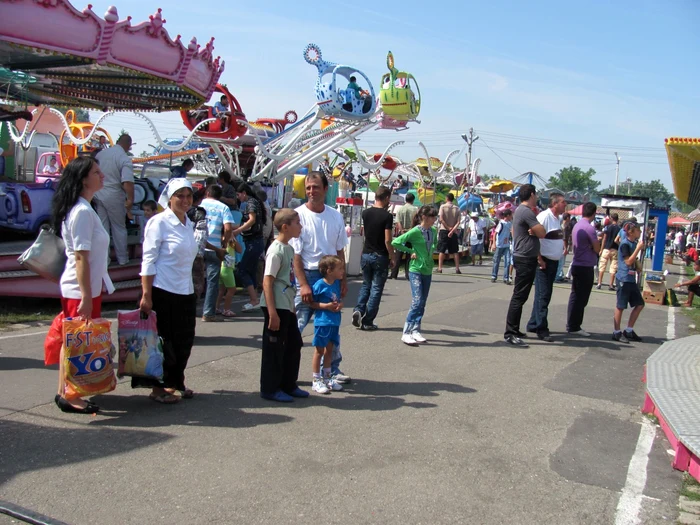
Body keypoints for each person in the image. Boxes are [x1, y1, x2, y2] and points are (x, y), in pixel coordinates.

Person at [51, 157, 114, 414]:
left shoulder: (85, 208)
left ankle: (65, 391)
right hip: (81, 289)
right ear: (83, 179)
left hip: (86, 288)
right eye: (97, 172)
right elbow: (80, 256)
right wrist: (87, 296)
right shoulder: (82, 212)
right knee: (78, 343)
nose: (102, 176)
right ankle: (71, 395)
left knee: (74, 341)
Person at [138, 178, 199, 403]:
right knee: (164, 343)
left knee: (184, 341)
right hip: (162, 290)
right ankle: (158, 389)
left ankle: (175, 382)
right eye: (179, 196)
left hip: (185, 290)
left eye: (188, 196)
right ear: (169, 198)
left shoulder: (188, 223)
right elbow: (148, 259)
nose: (184, 200)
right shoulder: (159, 222)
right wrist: (146, 294)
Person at [290, 172, 351, 384]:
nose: (311, 191)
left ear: (326, 189)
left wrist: (342, 280)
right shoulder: (298, 215)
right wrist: (304, 284)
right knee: (297, 325)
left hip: (331, 277)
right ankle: (287, 371)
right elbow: (295, 255)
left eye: (315, 187)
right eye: (308, 188)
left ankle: (332, 370)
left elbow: (339, 250)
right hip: (307, 275)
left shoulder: (335, 216)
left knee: (331, 325)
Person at [259, 208, 307, 402]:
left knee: (294, 343)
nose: (300, 226)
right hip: (275, 305)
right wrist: (272, 312)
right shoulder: (276, 250)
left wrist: (292, 308)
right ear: (285, 227)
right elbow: (267, 281)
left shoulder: (289, 248)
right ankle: (270, 388)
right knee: (274, 348)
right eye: (297, 223)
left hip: (286, 304)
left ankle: (288, 384)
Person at [503, 184, 546, 347]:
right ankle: (510, 332)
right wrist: (535, 230)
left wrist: (533, 230)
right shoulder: (526, 211)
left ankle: (515, 328)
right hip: (524, 257)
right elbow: (542, 232)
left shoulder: (520, 211)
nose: (537, 198)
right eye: (536, 195)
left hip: (525, 256)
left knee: (521, 295)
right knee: (519, 296)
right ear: (532, 195)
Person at [391, 205, 439, 346]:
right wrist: (410, 250)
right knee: (417, 300)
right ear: (424, 217)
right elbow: (396, 242)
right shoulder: (415, 231)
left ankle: (416, 329)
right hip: (415, 269)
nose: (435, 219)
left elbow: (434, 243)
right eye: (432, 216)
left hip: (427, 269)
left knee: (423, 301)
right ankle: (406, 332)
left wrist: (431, 252)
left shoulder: (434, 231)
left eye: (435, 216)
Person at [352, 186, 394, 331]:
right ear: (387, 198)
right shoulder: (387, 216)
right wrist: (392, 256)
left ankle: (358, 309)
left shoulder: (366, 213)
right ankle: (368, 320)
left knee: (366, 284)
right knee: (376, 288)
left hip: (366, 253)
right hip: (380, 255)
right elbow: (388, 240)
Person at [526, 192, 567, 342]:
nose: (565, 205)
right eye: (563, 202)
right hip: (544, 262)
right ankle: (542, 329)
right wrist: (539, 258)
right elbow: (533, 237)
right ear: (555, 203)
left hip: (553, 261)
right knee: (543, 295)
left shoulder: (558, 218)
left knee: (543, 294)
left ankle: (533, 323)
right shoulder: (545, 216)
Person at [94, 134, 135, 266]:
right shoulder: (124, 158)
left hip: (98, 193)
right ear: (128, 145)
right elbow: (127, 182)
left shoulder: (101, 155)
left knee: (102, 228)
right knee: (119, 228)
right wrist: (130, 199)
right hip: (114, 195)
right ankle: (122, 259)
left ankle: (104, 260)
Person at [310, 255, 346, 394]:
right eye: (340, 268)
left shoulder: (336, 283)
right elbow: (312, 303)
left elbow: (340, 299)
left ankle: (327, 377)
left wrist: (340, 305)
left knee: (329, 351)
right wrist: (326, 306)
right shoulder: (320, 284)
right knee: (319, 351)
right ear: (329, 270)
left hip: (334, 322)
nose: (342, 271)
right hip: (323, 322)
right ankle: (316, 380)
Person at [200, 185, 234, 322]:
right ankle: (208, 313)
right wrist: (224, 243)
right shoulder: (223, 208)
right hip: (215, 248)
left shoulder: (200, 205)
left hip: (197, 246)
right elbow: (228, 228)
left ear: (207, 193)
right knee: (212, 281)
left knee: (192, 278)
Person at [566, 202, 600, 337]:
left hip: (577, 263)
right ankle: (574, 325)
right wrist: (594, 246)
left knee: (575, 296)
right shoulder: (589, 228)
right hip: (585, 265)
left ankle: (572, 324)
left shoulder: (577, 226)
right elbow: (597, 248)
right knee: (581, 298)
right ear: (594, 213)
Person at [232, 182, 267, 311]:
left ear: (244, 193)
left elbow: (251, 220)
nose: (238, 197)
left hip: (253, 241)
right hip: (255, 242)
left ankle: (254, 299)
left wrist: (237, 231)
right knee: (250, 270)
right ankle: (255, 298)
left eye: (238, 194)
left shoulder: (250, 203)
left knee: (243, 269)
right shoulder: (255, 202)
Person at [613, 222, 645, 343]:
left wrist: (637, 266)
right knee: (620, 306)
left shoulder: (634, 243)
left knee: (639, 304)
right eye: (638, 231)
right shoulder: (625, 244)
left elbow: (633, 260)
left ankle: (629, 330)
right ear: (631, 232)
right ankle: (616, 332)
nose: (640, 233)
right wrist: (638, 249)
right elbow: (627, 261)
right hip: (623, 278)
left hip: (631, 278)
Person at [390, 193, 418, 280]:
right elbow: (416, 222)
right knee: (409, 255)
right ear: (413, 200)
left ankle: (394, 273)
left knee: (398, 254)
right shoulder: (415, 209)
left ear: (405, 199)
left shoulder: (400, 209)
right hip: (411, 233)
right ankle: (408, 274)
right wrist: (410, 230)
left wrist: (402, 231)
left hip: (402, 233)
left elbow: (398, 222)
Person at [216, 236, 242, 317]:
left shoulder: (219, 239)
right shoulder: (230, 239)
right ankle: (226, 310)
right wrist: (233, 237)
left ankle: (216, 307)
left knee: (221, 290)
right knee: (232, 289)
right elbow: (239, 250)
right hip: (227, 267)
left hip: (221, 266)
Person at [436, 193, 462, 273]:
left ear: (447, 198)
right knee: (455, 250)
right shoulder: (457, 208)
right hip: (454, 231)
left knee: (442, 250)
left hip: (444, 230)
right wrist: (452, 230)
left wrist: (448, 228)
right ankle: (457, 268)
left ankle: (440, 268)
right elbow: (458, 222)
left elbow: (441, 219)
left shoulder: (442, 207)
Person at [597, 213, 620, 290]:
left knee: (602, 266)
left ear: (611, 218)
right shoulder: (619, 229)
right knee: (613, 268)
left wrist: (601, 249)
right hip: (615, 249)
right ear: (617, 219)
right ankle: (611, 284)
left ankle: (599, 283)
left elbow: (604, 239)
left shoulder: (607, 227)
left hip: (606, 249)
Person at [491, 209, 513, 284]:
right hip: (499, 245)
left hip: (506, 245)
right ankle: (494, 276)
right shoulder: (501, 223)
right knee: (496, 261)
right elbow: (495, 234)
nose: (512, 216)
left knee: (508, 261)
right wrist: (494, 244)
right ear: (507, 216)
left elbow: (511, 232)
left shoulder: (510, 223)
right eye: (511, 215)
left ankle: (506, 278)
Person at [555, 213, 571, 283]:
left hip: (562, 246)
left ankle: (560, 275)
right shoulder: (563, 226)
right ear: (567, 218)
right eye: (569, 218)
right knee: (560, 262)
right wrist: (565, 248)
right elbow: (563, 239)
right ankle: (557, 276)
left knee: (561, 262)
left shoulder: (566, 226)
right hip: (561, 246)